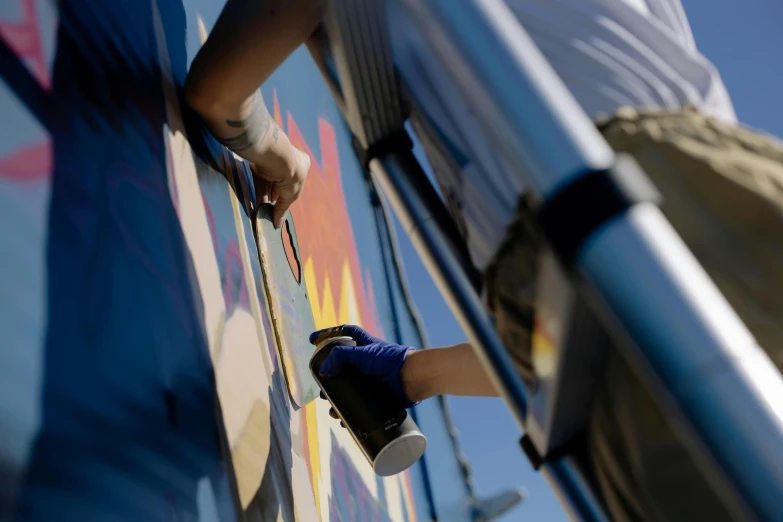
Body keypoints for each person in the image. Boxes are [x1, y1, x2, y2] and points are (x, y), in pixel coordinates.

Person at [188, 1, 783, 521]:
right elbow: (611, 343)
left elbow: (217, 93)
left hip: (613, 180)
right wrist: (409, 375)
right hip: (712, 182)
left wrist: (276, 150)